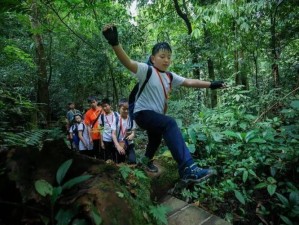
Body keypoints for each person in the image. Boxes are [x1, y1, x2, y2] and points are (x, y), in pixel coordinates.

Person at [102, 24, 225, 182]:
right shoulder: (146, 70)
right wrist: (115, 43)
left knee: (155, 138)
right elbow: (128, 62)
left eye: (169, 56)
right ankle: (188, 168)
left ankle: (145, 162)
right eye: (162, 56)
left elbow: (190, 82)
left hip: (155, 115)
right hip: (142, 113)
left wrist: (212, 84)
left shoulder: (170, 76)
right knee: (169, 123)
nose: (166, 60)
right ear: (153, 58)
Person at [111, 98, 136, 164]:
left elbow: (133, 131)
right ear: (119, 108)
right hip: (120, 144)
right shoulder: (116, 120)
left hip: (129, 143)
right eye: (123, 109)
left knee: (133, 161)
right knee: (121, 163)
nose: (126, 111)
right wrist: (118, 146)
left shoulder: (131, 119)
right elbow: (113, 134)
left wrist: (132, 134)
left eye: (127, 109)